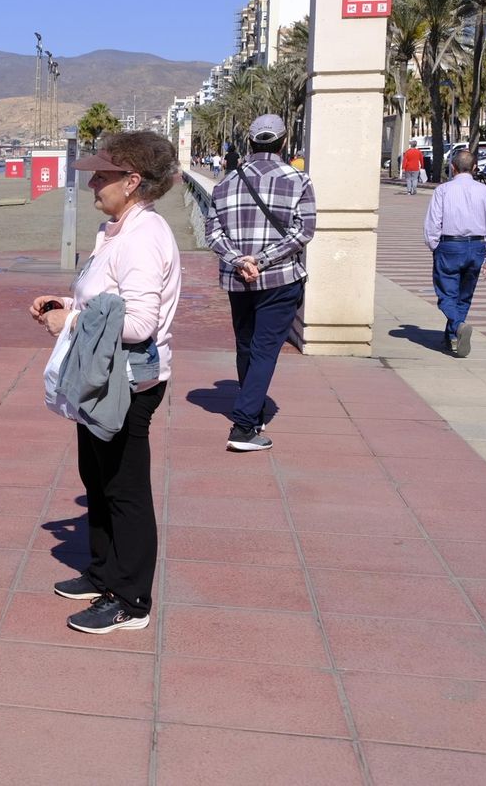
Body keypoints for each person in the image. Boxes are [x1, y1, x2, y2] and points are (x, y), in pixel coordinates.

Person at [30, 131, 181, 634]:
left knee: (124, 489)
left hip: (128, 383)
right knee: (96, 479)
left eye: (101, 176)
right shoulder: (116, 231)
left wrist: (69, 323)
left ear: (132, 182)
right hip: (101, 376)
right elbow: (107, 302)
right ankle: (102, 572)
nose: (92, 183)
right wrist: (66, 304)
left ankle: (130, 599)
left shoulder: (142, 238)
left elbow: (137, 324)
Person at [207, 114, 316, 452]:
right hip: (280, 278)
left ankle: (251, 412)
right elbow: (304, 231)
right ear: (283, 142)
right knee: (265, 350)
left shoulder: (225, 183)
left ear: (250, 142)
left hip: (239, 281)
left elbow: (213, 234)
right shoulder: (299, 180)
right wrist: (264, 260)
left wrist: (242, 261)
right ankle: (243, 427)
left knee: (246, 346)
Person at [423, 149, 486, 357]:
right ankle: (452, 337)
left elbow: (433, 221)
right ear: (475, 167)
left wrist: (434, 244)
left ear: (453, 168)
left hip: (450, 245)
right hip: (477, 246)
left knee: (446, 295)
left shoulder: (443, 190)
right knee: (464, 296)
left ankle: (458, 325)